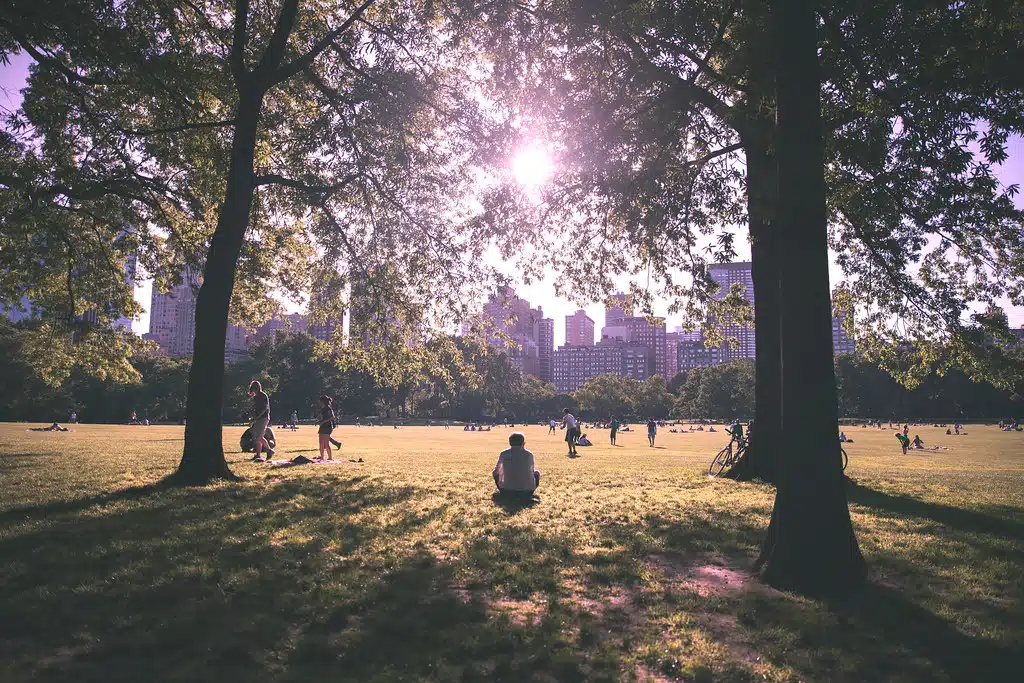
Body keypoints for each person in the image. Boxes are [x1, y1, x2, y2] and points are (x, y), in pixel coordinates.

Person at [493, 432, 540, 497]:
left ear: (510, 443)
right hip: (527, 490)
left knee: (495, 472)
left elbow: (496, 471)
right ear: (523, 443)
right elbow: (532, 470)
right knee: (537, 472)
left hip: (506, 489)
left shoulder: (504, 453)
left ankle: (503, 490)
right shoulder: (529, 454)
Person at [248, 380, 274, 461]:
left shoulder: (263, 396)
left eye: (254, 389)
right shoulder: (255, 397)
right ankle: (258, 455)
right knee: (257, 437)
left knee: (259, 437)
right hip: (257, 419)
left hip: (264, 418)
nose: (253, 391)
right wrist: (253, 418)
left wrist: (257, 417)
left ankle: (269, 450)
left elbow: (265, 408)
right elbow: (255, 409)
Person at [317, 395, 336, 460]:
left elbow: (332, 417)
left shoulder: (328, 408)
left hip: (327, 426)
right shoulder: (322, 409)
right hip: (322, 426)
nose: (319, 402)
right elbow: (324, 418)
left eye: (320, 401)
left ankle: (330, 457)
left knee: (326, 443)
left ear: (323, 401)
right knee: (321, 442)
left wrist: (324, 421)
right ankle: (322, 457)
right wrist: (319, 421)